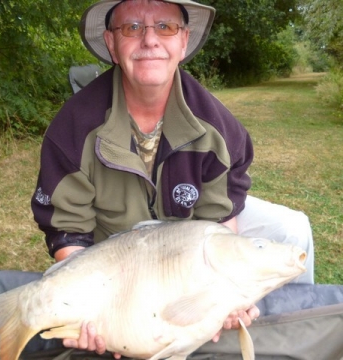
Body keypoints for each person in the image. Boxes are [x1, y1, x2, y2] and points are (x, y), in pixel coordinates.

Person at [31, 0, 314, 355]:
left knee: (293, 230)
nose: (149, 40)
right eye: (132, 27)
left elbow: (219, 224)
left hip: (188, 236)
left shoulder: (220, 128)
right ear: (111, 44)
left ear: (183, 41)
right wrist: (102, 315)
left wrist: (226, 295)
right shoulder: (71, 129)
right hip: (117, 251)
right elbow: (68, 232)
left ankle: (294, 329)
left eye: (164, 27)